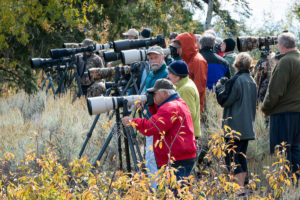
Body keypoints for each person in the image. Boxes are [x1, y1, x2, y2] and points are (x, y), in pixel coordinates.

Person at [122, 78, 197, 181]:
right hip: (182, 156)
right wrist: (152, 105)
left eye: (154, 93)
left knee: (174, 194)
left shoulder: (169, 108)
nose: (152, 96)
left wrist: (132, 121)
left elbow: (151, 127)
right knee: (181, 191)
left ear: (165, 93)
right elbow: (162, 121)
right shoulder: (179, 103)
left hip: (176, 159)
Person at [215, 52, 257, 196]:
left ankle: (239, 189)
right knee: (241, 156)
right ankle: (241, 187)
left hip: (234, 127)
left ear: (236, 65)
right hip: (247, 126)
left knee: (231, 157)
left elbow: (224, 100)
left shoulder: (236, 80)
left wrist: (219, 87)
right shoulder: (252, 80)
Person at [261, 32, 300, 178]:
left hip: (283, 114)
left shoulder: (285, 62)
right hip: (297, 113)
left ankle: (282, 185)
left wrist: (265, 108)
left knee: (281, 151)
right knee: (296, 149)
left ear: (281, 45)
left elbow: (275, 91)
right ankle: (295, 186)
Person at [143, 45, 168, 188]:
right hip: (150, 120)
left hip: (159, 121)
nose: (153, 60)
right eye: (151, 58)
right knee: (150, 156)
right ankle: (155, 187)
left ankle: (156, 189)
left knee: (153, 156)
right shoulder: (151, 74)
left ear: (162, 57)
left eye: (156, 57)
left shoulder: (165, 74)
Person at [171, 32, 208, 113]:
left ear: (185, 46)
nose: (177, 51)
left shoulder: (198, 61)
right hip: (185, 105)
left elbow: (199, 88)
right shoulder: (187, 60)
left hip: (192, 108)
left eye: (178, 48)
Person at [167, 60, 201, 138]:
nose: (168, 76)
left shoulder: (186, 89)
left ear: (177, 75)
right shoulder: (184, 85)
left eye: (170, 73)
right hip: (186, 133)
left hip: (187, 134)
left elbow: (189, 114)